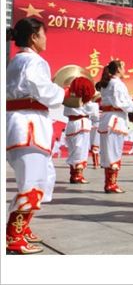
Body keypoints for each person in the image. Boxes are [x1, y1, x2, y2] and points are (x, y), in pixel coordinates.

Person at [6, 18, 65, 254]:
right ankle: (13, 235)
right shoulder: (32, 60)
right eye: (43, 33)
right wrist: (64, 91)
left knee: (41, 177)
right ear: (33, 37)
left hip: (26, 124)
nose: (46, 38)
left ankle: (22, 227)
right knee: (32, 181)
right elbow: (42, 89)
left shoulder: (19, 60)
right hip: (28, 126)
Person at [96, 60, 133, 193]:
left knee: (110, 151)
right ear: (118, 69)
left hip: (109, 119)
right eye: (123, 67)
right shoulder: (117, 84)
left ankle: (110, 183)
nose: (125, 69)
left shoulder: (107, 84)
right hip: (115, 120)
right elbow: (121, 103)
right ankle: (111, 184)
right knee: (114, 151)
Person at [63, 77, 96, 184]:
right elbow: (94, 112)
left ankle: (73, 174)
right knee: (80, 150)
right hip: (81, 124)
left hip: (71, 124)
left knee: (73, 149)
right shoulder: (87, 101)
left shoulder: (68, 98)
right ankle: (78, 175)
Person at [88, 93, 102, 168]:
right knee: (95, 144)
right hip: (96, 126)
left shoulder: (107, 111)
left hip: (104, 127)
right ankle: (96, 163)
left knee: (103, 145)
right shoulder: (93, 108)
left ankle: (102, 162)